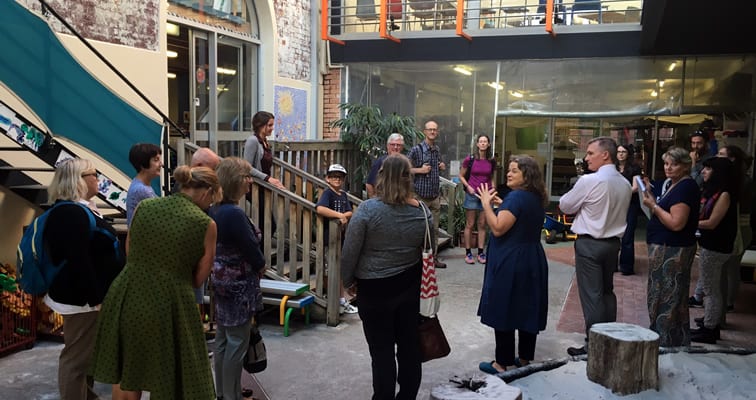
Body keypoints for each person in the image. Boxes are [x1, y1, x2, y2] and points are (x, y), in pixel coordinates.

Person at [91, 165, 221, 400]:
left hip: (127, 294)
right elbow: (198, 278)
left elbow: (130, 250)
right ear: (206, 192)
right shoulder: (205, 224)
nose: (210, 204)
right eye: (212, 198)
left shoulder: (145, 206)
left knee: (127, 373)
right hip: (169, 305)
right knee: (170, 377)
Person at [341, 154, 427, 400]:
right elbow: (427, 249)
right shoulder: (421, 212)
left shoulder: (368, 210)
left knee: (382, 353)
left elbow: (350, 252)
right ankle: (407, 396)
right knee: (410, 349)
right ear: (408, 179)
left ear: (382, 177)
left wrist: (348, 282)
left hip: (374, 291)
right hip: (411, 289)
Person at [42, 158, 124, 400]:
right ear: (78, 180)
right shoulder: (70, 212)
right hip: (82, 300)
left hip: (86, 297)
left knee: (85, 357)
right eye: (93, 174)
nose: (98, 178)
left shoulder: (79, 208)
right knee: (75, 360)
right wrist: (94, 298)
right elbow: (78, 260)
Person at [476, 155, 548, 374]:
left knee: (504, 306)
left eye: (514, 170)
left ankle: (502, 363)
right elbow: (519, 217)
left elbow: (498, 227)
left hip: (511, 259)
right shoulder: (535, 197)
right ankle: (525, 359)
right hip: (531, 257)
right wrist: (502, 204)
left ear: (526, 175)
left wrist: (486, 205)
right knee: (527, 306)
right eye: (508, 170)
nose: (508, 173)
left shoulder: (516, 198)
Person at [559, 137, 630, 356]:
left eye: (590, 153)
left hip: (590, 243)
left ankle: (594, 346)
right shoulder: (625, 183)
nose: (586, 157)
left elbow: (565, 205)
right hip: (612, 244)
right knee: (607, 292)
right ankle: (608, 340)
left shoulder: (590, 181)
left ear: (605, 155)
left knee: (592, 296)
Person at [209, 157, 266, 400]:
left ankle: (222, 392)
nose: (250, 181)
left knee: (223, 339)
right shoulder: (233, 213)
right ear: (234, 181)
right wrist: (261, 265)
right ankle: (231, 395)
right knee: (237, 342)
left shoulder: (216, 209)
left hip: (221, 282)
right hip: (238, 286)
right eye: (246, 177)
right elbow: (251, 248)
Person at [641, 146, 700, 347]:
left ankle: (663, 339)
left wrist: (653, 206)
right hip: (667, 246)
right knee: (670, 294)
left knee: (665, 295)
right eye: (666, 163)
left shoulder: (685, 187)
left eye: (674, 164)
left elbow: (676, 223)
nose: (668, 168)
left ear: (685, 166)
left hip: (672, 249)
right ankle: (675, 338)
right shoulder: (674, 184)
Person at [690, 157, 738, 344]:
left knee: (711, 290)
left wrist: (686, 223)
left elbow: (712, 223)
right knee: (710, 286)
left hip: (716, 246)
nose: (704, 172)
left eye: (708, 169)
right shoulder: (715, 191)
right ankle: (710, 321)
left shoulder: (725, 194)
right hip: (712, 245)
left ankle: (710, 328)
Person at [316, 163, 357, 314]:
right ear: (327, 179)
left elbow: (350, 211)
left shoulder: (343, 195)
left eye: (339, 177)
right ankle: (332, 297)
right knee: (329, 268)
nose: (337, 179)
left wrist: (344, 215)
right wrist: (339, 216)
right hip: (329, 238)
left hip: (341, 237)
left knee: (339, 268)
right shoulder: (328, 194)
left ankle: (340, 298)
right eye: (333, 176)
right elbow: (320, 208)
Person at [716, 145, 753, 314]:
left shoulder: (742, 181)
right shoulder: (734, 178)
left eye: (722, 155)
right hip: (733, 226)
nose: (718, 157)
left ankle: (728, 302)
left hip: (740, 227)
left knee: (732, 267)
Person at [408, 120, 447, 269]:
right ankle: (417, 261)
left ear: (437, 132)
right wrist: (420, 170)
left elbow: (439, 166)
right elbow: (405, 169)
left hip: (434, 196)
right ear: (424, 131)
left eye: (434, 130)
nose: (432, 132)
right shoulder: (416, 150)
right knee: (419, 229)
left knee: (434, 230)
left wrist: (442, 166)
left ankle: (433, 259)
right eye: (430, 129)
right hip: (420, 197)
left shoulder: (436, 149)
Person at [458, 134, 495, 265]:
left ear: (489, 144)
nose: (483, 144)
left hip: (486, 194)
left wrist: (493, 189)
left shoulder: (491, 160)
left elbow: (491, 177)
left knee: (482, 224)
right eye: (481, 141)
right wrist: (468, 187)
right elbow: (461, 175)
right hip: (472, 194)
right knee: (470, 224)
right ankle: (468, 253)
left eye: (485, 141)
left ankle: (481, 252)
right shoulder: (470, 159)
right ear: (477, 144)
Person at [617, 144, 642, 275]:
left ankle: (626, 267)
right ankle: (612, 264)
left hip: (630, 204)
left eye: (623, 151)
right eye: (618, 151)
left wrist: (621, 193)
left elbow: (636, 187)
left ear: (628, 154)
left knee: (627, 235)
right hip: (615, 205)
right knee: (613, 234)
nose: (620, 154)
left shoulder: (635, 168)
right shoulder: (612, 168)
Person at [243, 111, 285, 189]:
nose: (272, 128)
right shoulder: (252, 141)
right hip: (256, 186)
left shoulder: (265, 141)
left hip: (264, 185)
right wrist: (268, 178)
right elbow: (247, 167)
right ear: (260, 126)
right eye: (270, 125)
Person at [126, 143, 162, 226]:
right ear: (143, 164)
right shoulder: (142, 190)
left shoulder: (139, 184)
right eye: (156, 160)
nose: (161, 164)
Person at [366, 133, 405, 198]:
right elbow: (369, 184)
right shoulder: (380, 162)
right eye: (392, 144)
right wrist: (374, 201)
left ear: (402, 147)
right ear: (387, 146)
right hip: (383, 200)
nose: (395, 147)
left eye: (398, 145)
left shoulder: (405, 163)